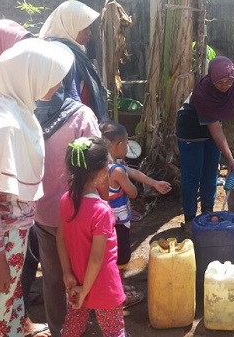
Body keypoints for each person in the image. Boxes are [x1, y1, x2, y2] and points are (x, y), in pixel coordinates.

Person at [0, 38, 74, 337]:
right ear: (29, 76)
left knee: (6, 299)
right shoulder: (2, 125)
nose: (57, 88)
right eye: (52, 80)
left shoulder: (10, 106)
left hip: (6, 226)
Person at [34, 57, 102, 337]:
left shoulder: (26, 112)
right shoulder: (81, 115)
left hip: (43, 213)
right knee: (91, 272)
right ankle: (101, 326)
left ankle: (60, 329)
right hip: (82, 216)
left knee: (53, 277)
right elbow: (99, 161)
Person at [176, 56, 234, 230]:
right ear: (211, 79)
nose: (225, 85)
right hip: (190, 130)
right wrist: (230, 159)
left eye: (228, 81)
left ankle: (207, 213)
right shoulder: (203, 92)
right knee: (192, 176)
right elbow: (216, 130)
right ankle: (190, 221)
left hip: (211, 129)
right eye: (220, 82)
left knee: (210, 173)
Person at [57, 137, 127, 337]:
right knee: (114, 332)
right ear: (104, 171)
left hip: (75, 280)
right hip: (102, 286)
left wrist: (67, 273)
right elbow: (97, 258)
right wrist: (85, 290)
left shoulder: (66, 201)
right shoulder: (101, 210)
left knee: (72, 328)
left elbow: (60, 239)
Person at [100, 121, 171, 307]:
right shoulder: (116, 171)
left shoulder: (103, 163)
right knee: (121, 257)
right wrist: (132, 187)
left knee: (109, 256)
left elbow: (132, 171)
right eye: (126, 143)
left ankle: (115, 288)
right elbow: (133, 192)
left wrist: (154, 183)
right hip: (117, 222)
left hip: (105, 222)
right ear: (119, 145)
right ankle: (119, 293)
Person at [40, 0, 108, 121]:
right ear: (69, 26)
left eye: (90, 28)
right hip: (71, 126)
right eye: (84, 28)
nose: (89, 33)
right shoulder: (60, 53)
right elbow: (67, 97)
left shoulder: (76, 52)